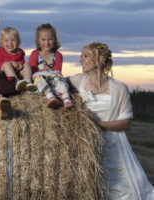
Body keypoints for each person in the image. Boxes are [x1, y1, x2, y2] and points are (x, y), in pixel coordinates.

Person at [68, 42, 154, 199]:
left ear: (99, 59)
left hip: (115, 145)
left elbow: (126, 122)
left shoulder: (120, 88)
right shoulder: (76, 82)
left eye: (85, 56)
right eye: (81, 56)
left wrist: (98, 125)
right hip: (86, 145)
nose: (81, 60)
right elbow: (54, 83)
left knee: (128, 190)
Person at [29, 23, 73, 109]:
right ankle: (51, 97)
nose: (47, 43)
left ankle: (66, 98)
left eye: (50, 39)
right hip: (42, 85)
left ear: (54, 40)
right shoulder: (35, 54)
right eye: (43, 39)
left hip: (54, 83)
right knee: (37, 77)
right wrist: (44, 72)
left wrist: (50, 72)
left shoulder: (58, 55)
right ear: (38, 41)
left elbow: (57, 71)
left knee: (59, 76)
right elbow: (32, 71)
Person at [0, 26, 36, 92]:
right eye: (6, 40)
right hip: (4, 74)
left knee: (27, 65)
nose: (10, 43)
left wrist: (20, 64)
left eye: (13, 40)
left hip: (17, 72)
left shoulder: (20, 52)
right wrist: (10, 63)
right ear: (1, 42)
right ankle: (16, 82)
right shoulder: (0, 51)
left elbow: (22, 62)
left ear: (18, 42)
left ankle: (27, 82)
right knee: (6, 64)